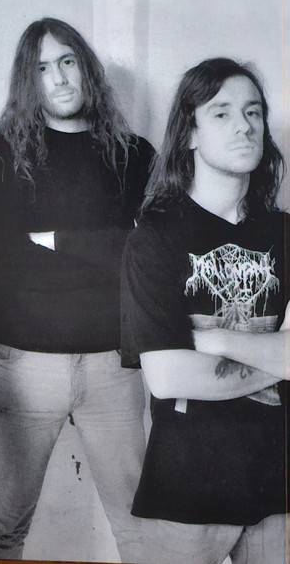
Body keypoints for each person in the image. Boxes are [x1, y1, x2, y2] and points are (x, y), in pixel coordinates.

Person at [0, 18, 156, 561]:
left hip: (114, 366)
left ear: (86, 68)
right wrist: (108, 249)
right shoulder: (1, 157)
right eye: (42, 68)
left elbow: (147, 260)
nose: (58, 78)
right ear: (27, 81)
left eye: (67, 61)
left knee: (140, 531)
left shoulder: (135, 155)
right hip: (25, 369)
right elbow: (6, 264)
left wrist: (54, 242)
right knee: (1, 532)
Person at [121, 58, 289, 564]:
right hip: (187, 489)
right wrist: (278, 357)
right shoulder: (153, 238)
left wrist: (210, 340)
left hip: (279, 485)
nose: (244, 125)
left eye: (253, 112)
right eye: (221, 113)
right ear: (189, 133)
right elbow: (168, 376)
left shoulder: (286, 233)